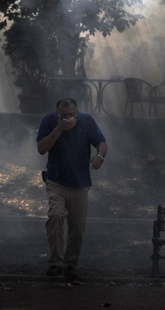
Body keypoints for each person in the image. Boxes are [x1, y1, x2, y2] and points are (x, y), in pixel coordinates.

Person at [37, 98, 107, 281]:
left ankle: (70, 264)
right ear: (57, 113)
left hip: (81, 183)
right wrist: (59, 129)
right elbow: (41, 148)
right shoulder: (49, 121)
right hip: (56, 180)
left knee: (77, 228)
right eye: (64, 115)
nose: (68, 118)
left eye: (71, 115)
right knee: (56, 215)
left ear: (77, 113)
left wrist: (100, 156)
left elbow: (101, 142)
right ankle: (55, 263)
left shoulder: (87, 120)